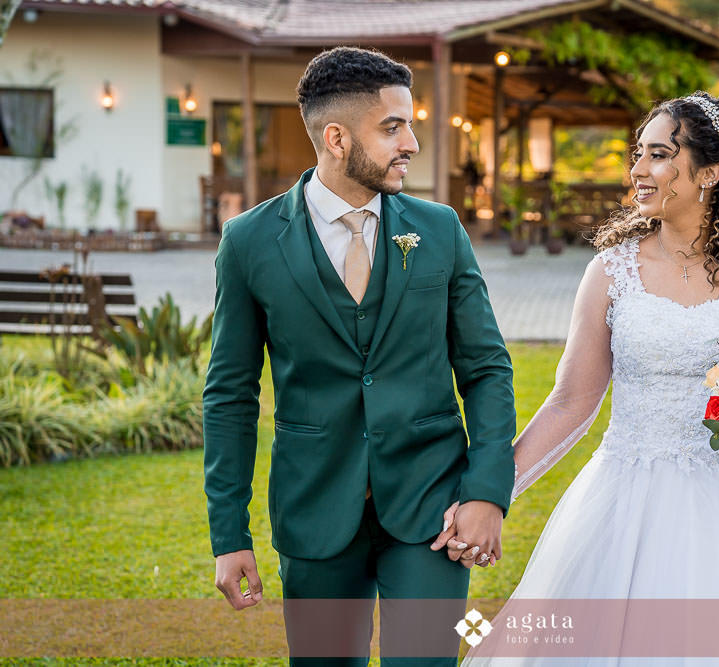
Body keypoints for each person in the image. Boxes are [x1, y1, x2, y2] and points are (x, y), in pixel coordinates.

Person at [439, 92, 719, 665]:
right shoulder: (611, 269)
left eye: (657, 155)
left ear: (710, 173)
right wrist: (492, 495)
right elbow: (571, 401)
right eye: (638, 155)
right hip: (627, 499)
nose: (637, 171)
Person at [202, 47, 515, 666]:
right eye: (393, 126)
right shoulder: (250, 241)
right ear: (338, 138)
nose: (413, 143)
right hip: (315, 506)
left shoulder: (441, 229)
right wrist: (228, 534)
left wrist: (486, 492)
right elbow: (231, 394)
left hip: (432, 509)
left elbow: (486, 369)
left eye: (411, 123)